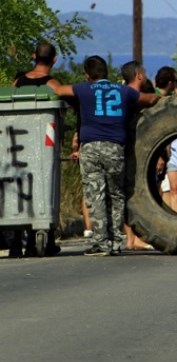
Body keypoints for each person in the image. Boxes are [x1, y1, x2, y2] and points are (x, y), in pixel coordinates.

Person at [50, 56, 159, 256]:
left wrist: (48, 78)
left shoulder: (83, 88)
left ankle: (101, 243)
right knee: (116, 195)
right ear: (106, 72)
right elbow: (149, 99)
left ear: (87, 75)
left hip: (90, 147)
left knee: (95, 195)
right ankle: (117, 241)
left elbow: (57, 89)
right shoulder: (124, 91)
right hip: (115, 147)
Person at [9, 42, 63, 257]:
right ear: (55, 60)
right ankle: (37, 238)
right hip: (42, 149)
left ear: (33, 56)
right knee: (42, 187)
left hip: (14, 147)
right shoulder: (52, 85)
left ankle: (15, 240)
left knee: (16, 186)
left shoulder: (18, 83)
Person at [120, 60, 156, 251]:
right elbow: (150, 100)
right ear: (139, 75)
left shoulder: (121, 92)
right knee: (132, 191)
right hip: (130, 147)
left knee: (127, 191)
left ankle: (131, 238)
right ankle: (134, 238)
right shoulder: (130, 93)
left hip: (123, 145)